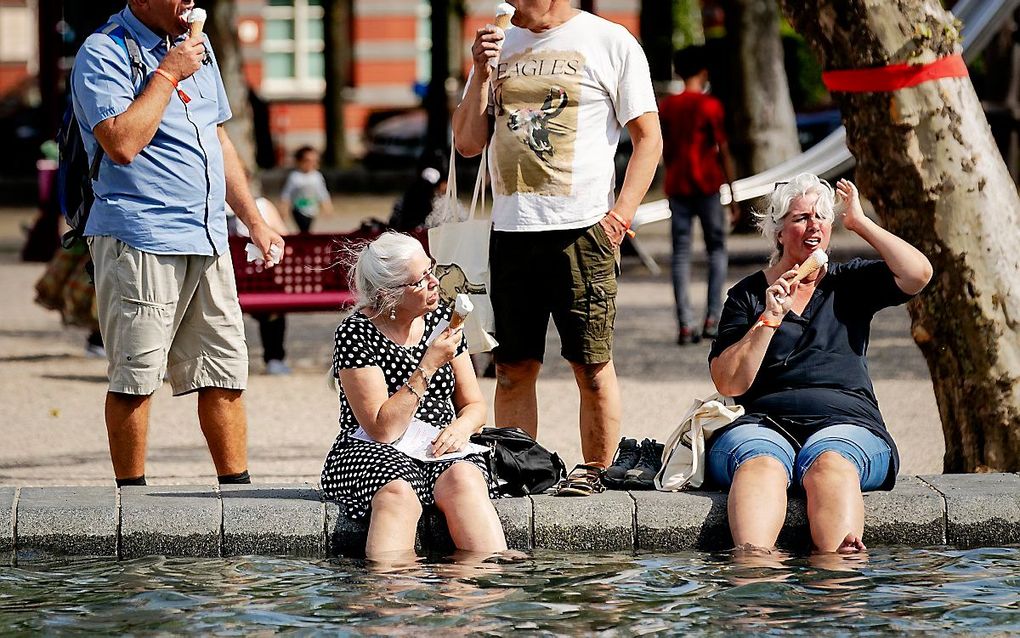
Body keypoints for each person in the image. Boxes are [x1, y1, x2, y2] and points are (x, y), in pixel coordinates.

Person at [71, 0, 285, 486]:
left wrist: (253, 219)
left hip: (207, 236)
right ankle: (134, 503)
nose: (190, 0)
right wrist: (166, 74)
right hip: (140, 235)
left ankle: (237, 497)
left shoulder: (198, 45)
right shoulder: (102, 51)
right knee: (136, 377)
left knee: (224, 371)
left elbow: (218, 138)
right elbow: (121, 143)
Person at [452, 0, 662, 495]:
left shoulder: (609, 41)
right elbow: (466, 143)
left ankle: (596, 471)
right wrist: (481, 72)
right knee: (512, 368)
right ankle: (518, 470)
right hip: (510, 229)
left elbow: (648, 138)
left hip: (583, 229)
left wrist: (620, 216)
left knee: (590, 364)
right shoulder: (497, 43)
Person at [707, 173, 932, 553]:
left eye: (822, 218)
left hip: (847, 423)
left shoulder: (850, 282)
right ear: (778, 232)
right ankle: (755, 576)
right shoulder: (748, 295)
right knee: (759, 465)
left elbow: (918, 273)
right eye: (801, 218)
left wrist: (860, 223)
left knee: (830, 463)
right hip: (764, 424)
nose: (814, 227)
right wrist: (768, 320)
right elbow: (728, 384)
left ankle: (838, 582)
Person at [320, 232, 506, 559]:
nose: (435, 282)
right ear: (387, 294)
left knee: (465, 479)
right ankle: (390, 599)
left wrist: (462, 429)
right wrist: (430, 363)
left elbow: (474, 405)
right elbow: (382, 428)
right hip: (372, 447)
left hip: (437, 443)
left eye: (430, 270)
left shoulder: (443, 320)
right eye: (421, 280)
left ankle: (476, 593)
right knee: (397, 493)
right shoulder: (355, 333)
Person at [659, 45, 738, 345]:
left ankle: (684, 324)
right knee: (716, 250)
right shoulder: (710, 106)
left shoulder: (667, 106)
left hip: (678, 187)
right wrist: (733, 192)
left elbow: (662, 148)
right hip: (707, 186)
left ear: (677, 71)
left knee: (680, 255)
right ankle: (712, 319)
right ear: (703, 72)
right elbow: (723, 150)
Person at [227, 180, 292, 375]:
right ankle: (274, 359)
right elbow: (286, 238)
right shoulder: (263, 206)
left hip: (228, 283)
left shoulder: (208, 204)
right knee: (273, 306)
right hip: (260, 284)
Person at [280, 146, 333, 234]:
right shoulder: (295, 177)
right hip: (298, 208)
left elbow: (322, 192)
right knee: (304, 229)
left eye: (314, 161)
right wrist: (284, 209)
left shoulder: (317, 176)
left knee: (308, 228)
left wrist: (327, 206)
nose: (311, 164)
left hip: (312, 208)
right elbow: (287, 194)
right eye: (307, 161)